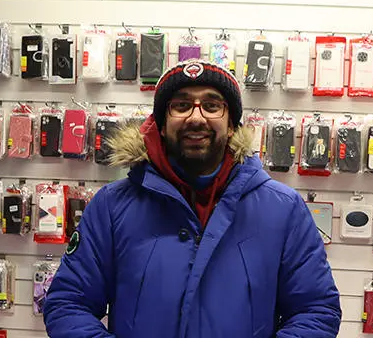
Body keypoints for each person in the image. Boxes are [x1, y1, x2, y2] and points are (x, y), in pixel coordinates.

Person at [43, 60, 341, 338]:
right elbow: (69, 303)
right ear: (160, 123)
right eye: (181, 105)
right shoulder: (111, 206)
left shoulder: (283, 209)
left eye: (212, 105)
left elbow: (316, 309)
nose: (196, 117)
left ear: (233, 124)